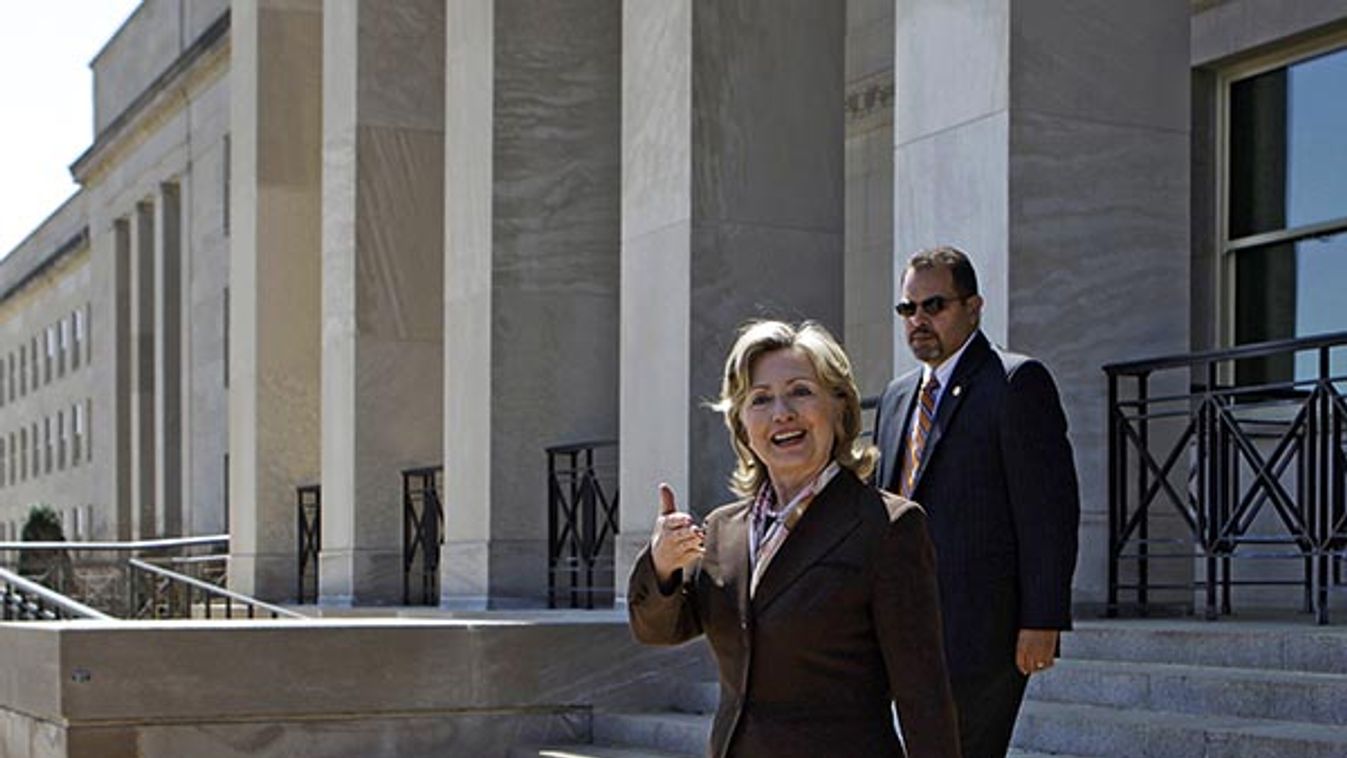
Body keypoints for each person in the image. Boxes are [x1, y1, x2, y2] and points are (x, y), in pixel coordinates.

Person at [628, 320, 961, 758]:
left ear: (839, 407)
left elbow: (924, 694)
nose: (781, 412)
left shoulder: (887, 527)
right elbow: (660, 630)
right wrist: (663, 565)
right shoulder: (723, 531)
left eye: (800, 391)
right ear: (742, 424)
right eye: (760, 399)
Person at [874, 246, 1079, 758]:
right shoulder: (897, 397)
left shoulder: (1014, 383)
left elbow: (1049, 513)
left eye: (934, 305)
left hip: (983, 632)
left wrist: (1043, 619)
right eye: (908, 309)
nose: (918, 320)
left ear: (974, 306)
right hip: (905, 626)